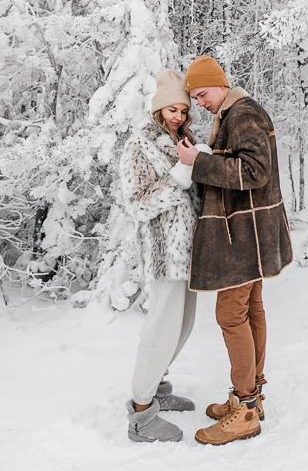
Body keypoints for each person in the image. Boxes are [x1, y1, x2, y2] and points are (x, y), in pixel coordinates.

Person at [175, 55, 294, 446]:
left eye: (202, 93)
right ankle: (252, 397)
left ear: (220, 84)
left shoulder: (243, 113)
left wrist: (199, 163)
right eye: (193, 97)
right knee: (249, 310)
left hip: (245, 236)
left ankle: (244, 409)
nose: (199, 102)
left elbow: (255, 172)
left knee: (230, 314)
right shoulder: (234, 114)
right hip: (252, 234)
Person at [119, 69, 208, 443]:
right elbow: (137, 204)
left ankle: (156, 388)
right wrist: (179, 176)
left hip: (190, 253)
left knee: (183, 327)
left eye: (183, 111)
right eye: (172, 110)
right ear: (158, 110)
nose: (179, 117)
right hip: (163, 253)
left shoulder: (185, 140)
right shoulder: (139, 145)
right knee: (161, 329)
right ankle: (141, 413)